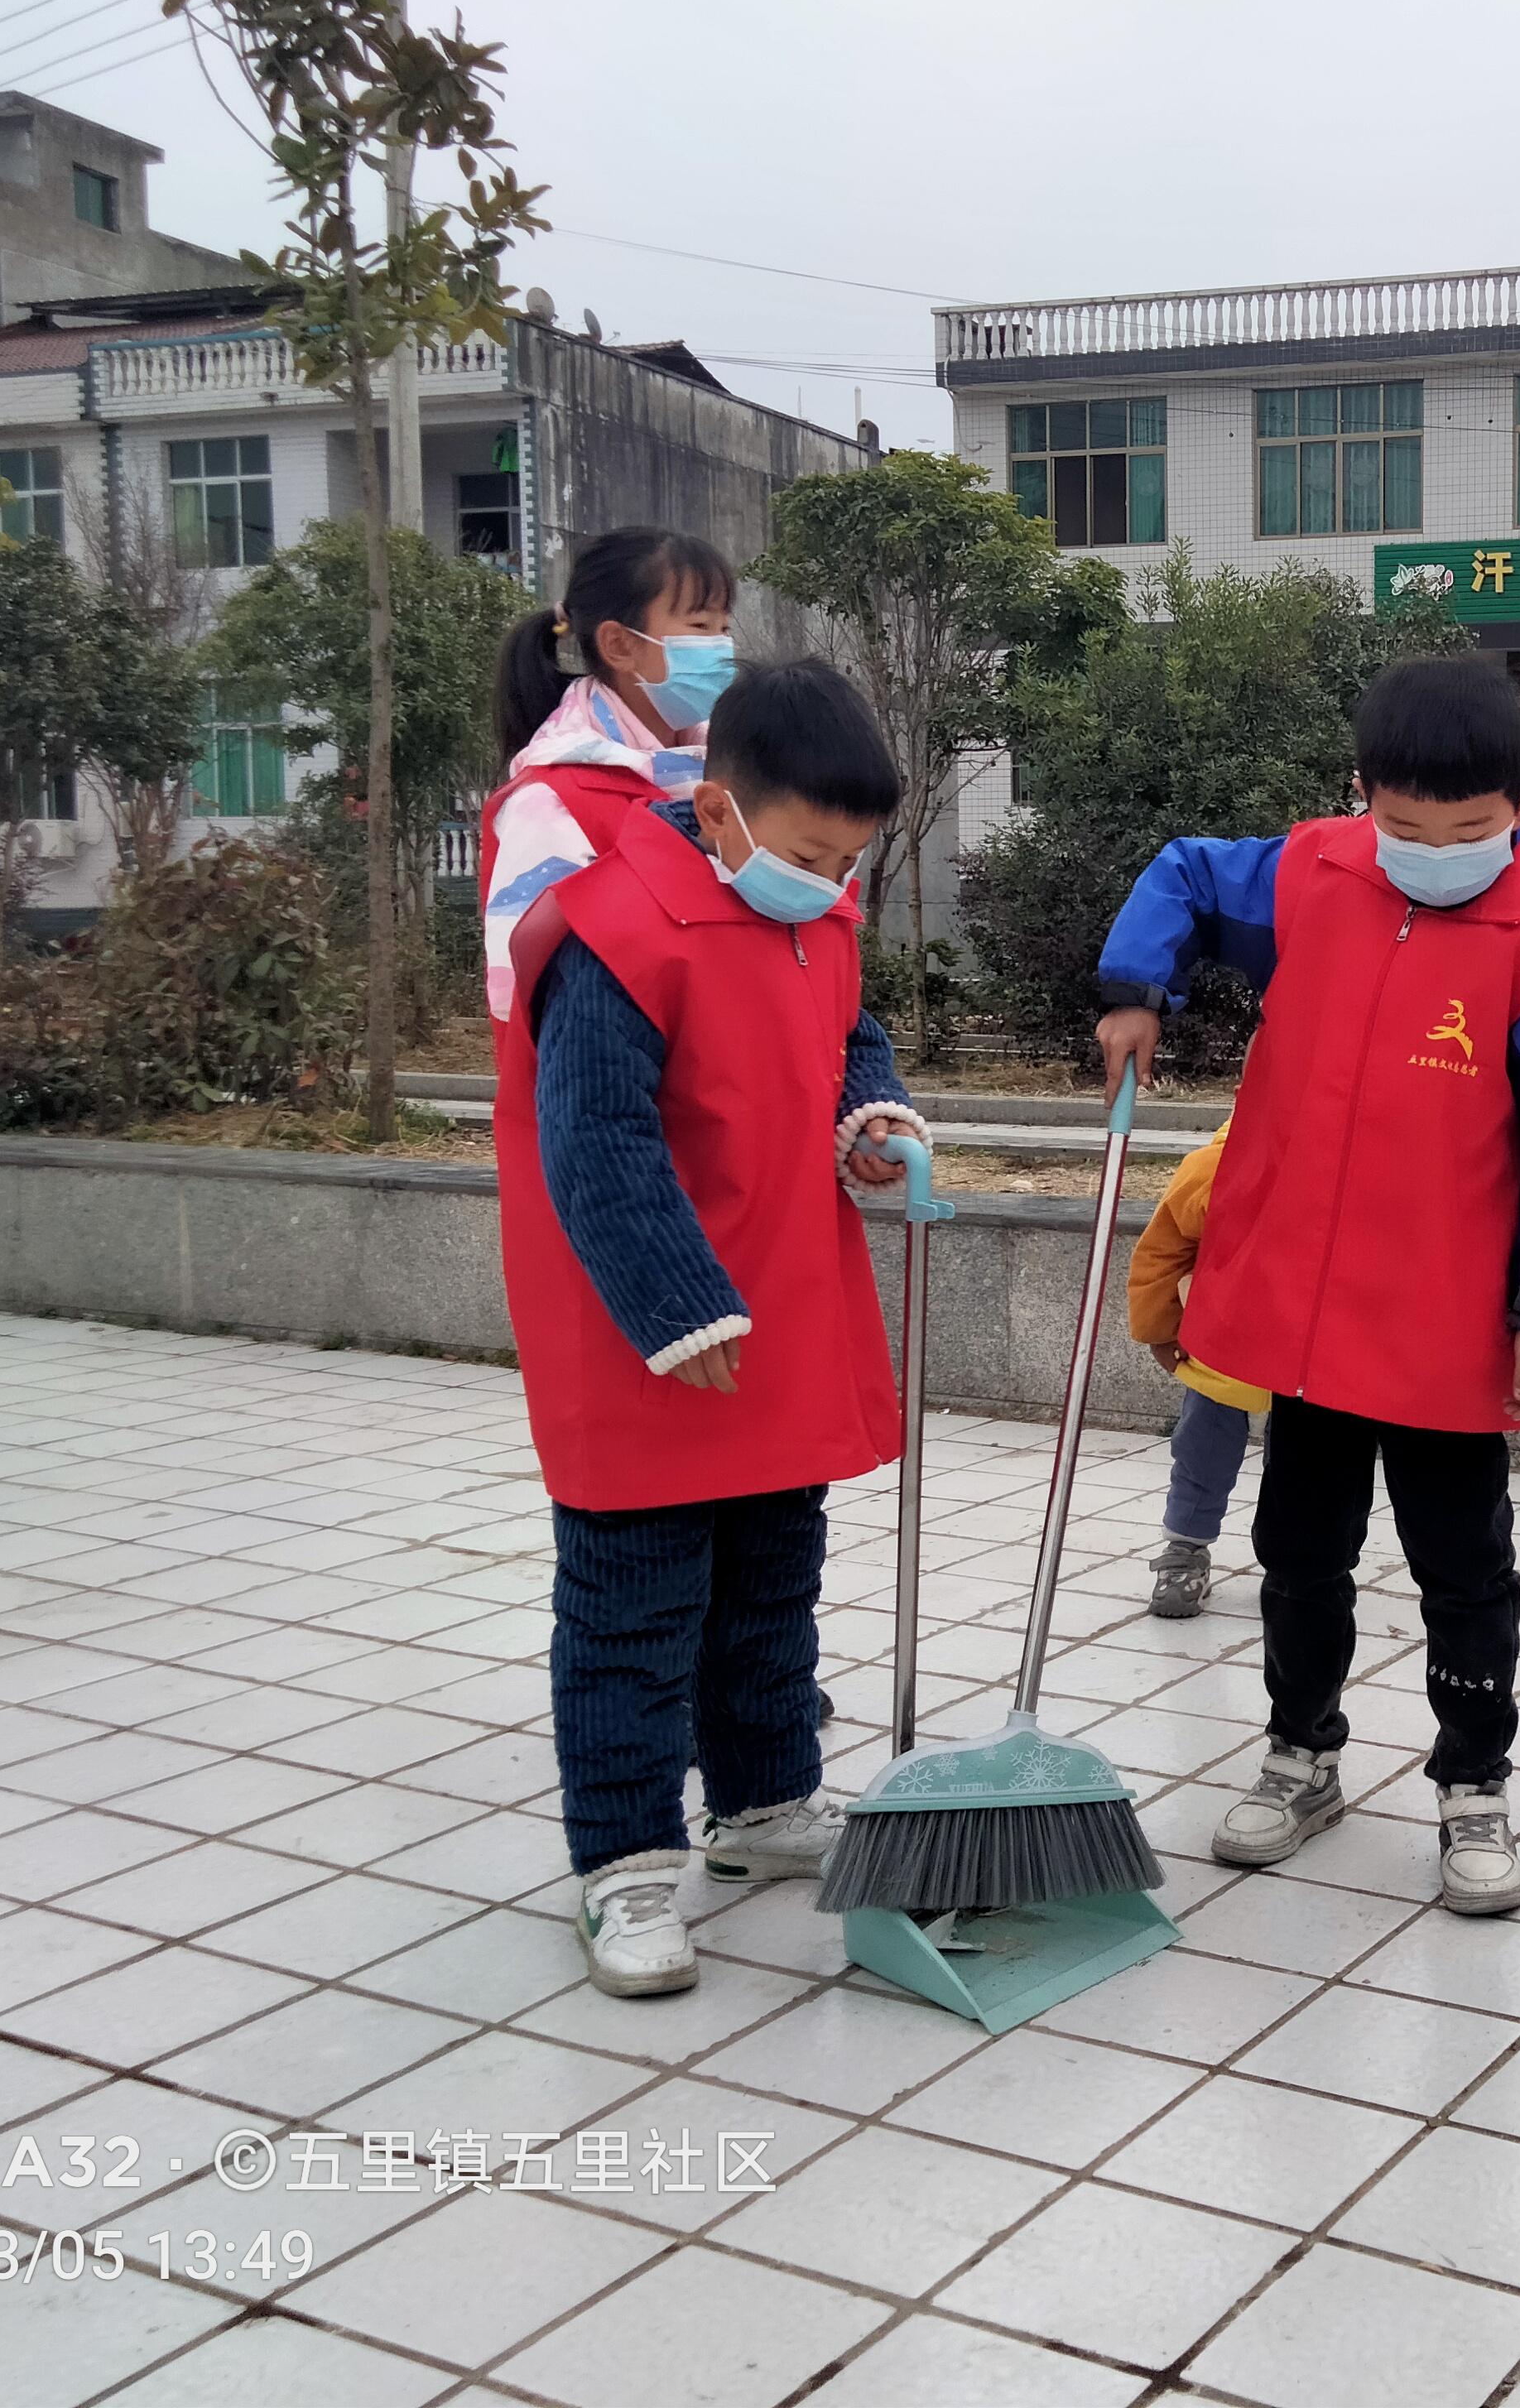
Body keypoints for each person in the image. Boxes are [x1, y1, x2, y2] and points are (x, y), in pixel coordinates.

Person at [1093, 656, 1520, 1916]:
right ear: (1360, 797)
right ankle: (1302, 1751)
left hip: (1449, 1326)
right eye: (1404, 826)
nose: (1435, 851)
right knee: (1298, 1548)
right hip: (1307, 1316)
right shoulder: (1315, 872)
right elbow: (1180, 870)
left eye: (1470, 830)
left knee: (1463, 1563)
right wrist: (1135, 986)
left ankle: (1473, 1784)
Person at [494, 660, 928, 1998]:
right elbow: (593, 1137)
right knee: (633, 1606)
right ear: (723, 811)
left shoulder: (818, 914)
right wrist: (676, 1307)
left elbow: (851, 1039)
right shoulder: (616, 929)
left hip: (783, 1307)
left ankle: (761, 1803)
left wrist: (878, 1117)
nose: (831, 880)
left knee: (766, 1588)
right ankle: (624, 1865)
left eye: (852, 861)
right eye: (810, 852)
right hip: (650, 1329)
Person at [481, 526, 740, 1024]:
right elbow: (543, 1001)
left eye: (725, 629)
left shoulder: (731, 774)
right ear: (620, 645)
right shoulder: (552, 802)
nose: (722, 648)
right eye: (701, 626)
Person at [1126, 1119, 1270, 1620]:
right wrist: (1161, 1329)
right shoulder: (1213, 1167)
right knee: (1203, 1451)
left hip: (1317, 1355)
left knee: (1307, 1467)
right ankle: (1185, 1548)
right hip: (1225, 1343)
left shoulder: (1350, 1159)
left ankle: (1296, 1559)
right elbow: (1159, 1254)